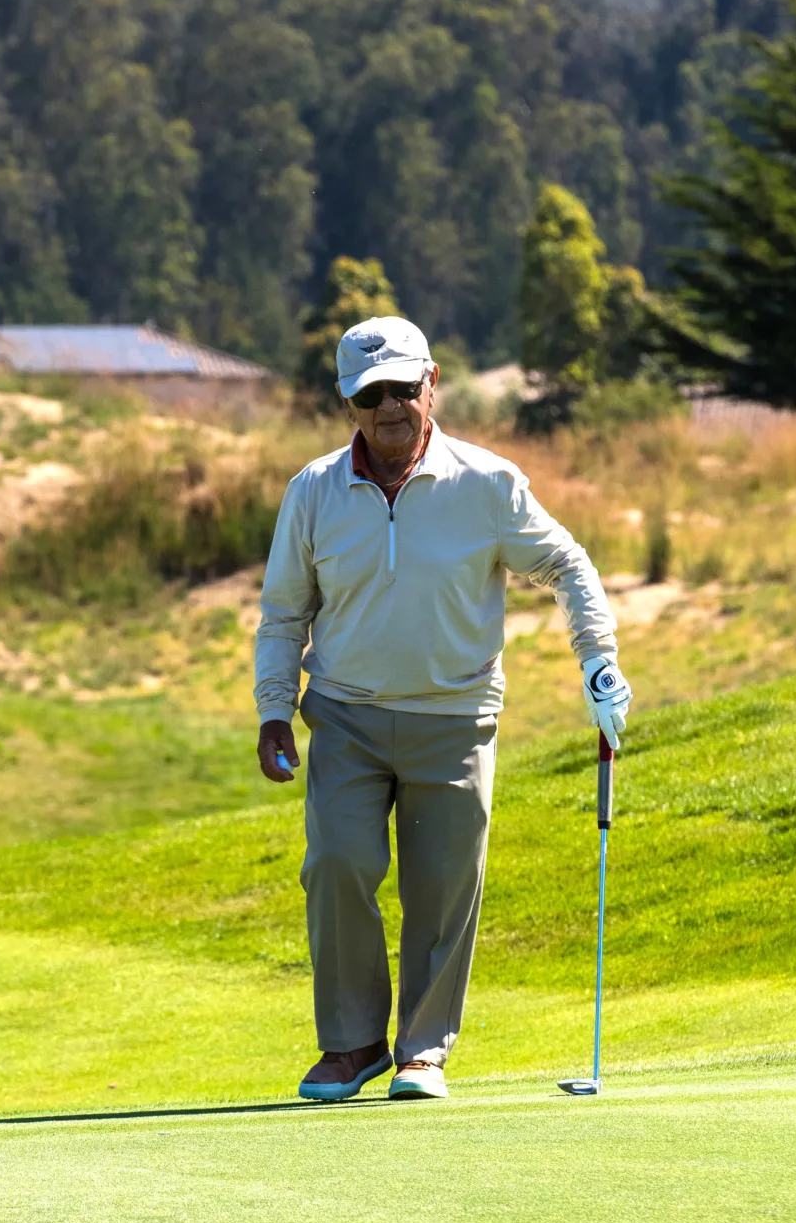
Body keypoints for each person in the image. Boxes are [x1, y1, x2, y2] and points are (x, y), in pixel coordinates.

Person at [254, 315, 631, 1103]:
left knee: (443, 885)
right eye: (370, 395)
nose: (389, 407)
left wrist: (597, 656)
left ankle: (422, 1052)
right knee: (337, 865)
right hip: (347, 715)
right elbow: (285, 612)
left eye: (402, 389)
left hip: (455, 716)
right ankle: (351, 1044)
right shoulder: (314, 490)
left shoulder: (487, 484)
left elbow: (566, 564)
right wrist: (273, 709)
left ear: (432, 386)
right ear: (348, 403)